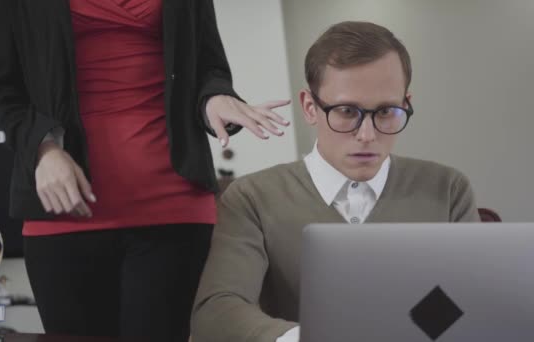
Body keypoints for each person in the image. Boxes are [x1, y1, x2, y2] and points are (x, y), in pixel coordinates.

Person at [0, 1, 290, 341]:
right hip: (62, 211)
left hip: (174, 208)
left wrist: (214, 99)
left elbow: (208, 68)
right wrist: (44, 149)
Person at [191, 21, 480, 342]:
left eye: (386, 112)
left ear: (406, 104)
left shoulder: (448, 189)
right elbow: (216, 312)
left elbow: (475, 301)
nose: (367, 135)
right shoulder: (252, 198)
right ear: (309, 107)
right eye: (346, 111)